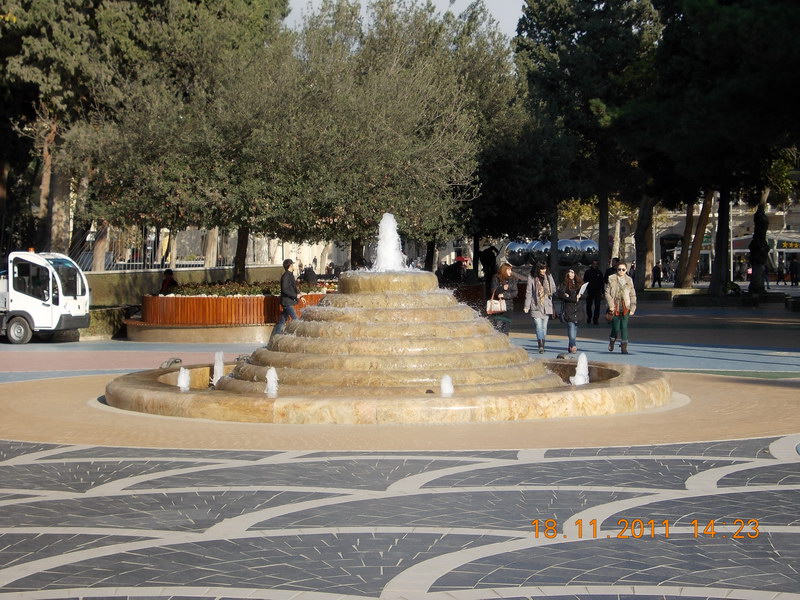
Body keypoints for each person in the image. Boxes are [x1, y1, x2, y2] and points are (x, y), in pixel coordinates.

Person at [605, 261, 637, 354]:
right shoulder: (611, 278)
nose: (621, 271)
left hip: (625, 305)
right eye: (619, 269)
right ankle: (612, 340)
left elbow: (633, 295)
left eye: (623, 269)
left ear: (626, 270)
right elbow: (607, 293)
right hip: (615, 306)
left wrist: (632, 308)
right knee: (616, 327)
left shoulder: (629, 280)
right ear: (616, 269)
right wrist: (611, 305)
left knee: (624, 327)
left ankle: (624, 347)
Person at [524, 262, 556, 353]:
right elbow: (529, 292)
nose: (543, 270)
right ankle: (540, 346)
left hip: (546, 305)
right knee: (539, 326)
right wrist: (527, 306)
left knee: (544, 327)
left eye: (545, 268)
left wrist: (549, 289)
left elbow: (554, 288)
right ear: (537, 269)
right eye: (541, 269)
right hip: (536, 305)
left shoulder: (548, 276)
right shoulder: (531, 277)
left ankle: (543, 344)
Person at [556, 267, 583, 353]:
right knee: (571, 327)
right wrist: (572, 298)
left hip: (577, 309)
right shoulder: (564, 283)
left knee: (575, 328)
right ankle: (573, 345)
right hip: (569, 309)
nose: (570, 274)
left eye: (572, 272)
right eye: (569, 272)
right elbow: (560, 294)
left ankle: (570, 345)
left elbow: (585, 294)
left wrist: (580, 296)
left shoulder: (580, 283)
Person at [488, 262, 518, 335]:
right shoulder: (496, 278)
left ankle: (505, 341)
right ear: (504, 270)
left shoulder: (512, 279)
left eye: (511, 270)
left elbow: (515, 292)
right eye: (508, 270)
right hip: (498, 307)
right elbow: (493, 290)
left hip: (508, 307)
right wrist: (502, 288)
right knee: (498, 329)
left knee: (506, 330)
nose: (510, 272)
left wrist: (505, 295)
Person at [274, 259, 300, 335]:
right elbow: (284, 290)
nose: (294, 266)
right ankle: (299, 335)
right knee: (296, 320)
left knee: (282, 321)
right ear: (290, 265)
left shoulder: (290, 275)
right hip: (287, 302)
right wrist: (295, 295)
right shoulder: (285, 276)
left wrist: (300, 296)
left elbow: (294, 287)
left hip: (288, 301)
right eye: (293, 264)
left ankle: (276, 335)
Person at [583, 259, 604, 324]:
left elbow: (602, 282)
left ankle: (595, 319)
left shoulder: (599, 272)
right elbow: (585, 280)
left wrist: (602, 292)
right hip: (590, 291)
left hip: (597, 291)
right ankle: (589, 317)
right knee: (588, 305)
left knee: (597, 305)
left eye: (596, 264)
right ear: (592, 264)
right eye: (594, 264)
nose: (595, 265)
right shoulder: (588, 272)